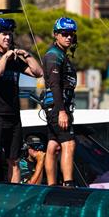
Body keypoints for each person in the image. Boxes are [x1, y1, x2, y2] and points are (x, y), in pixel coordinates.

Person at [0, 18, 43, 182]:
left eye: (9, 34)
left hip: (14, 115)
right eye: (3, 34)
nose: (7, 37)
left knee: (14, 159)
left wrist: (27, 55)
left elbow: (38, 72)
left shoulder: (14, 60)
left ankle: (13, 193)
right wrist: (6, 57)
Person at [42, 17, 78, 187]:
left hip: (57, 107)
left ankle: (51, 186)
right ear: (55, 35)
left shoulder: (62, 54)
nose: (68, 37)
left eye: (71, 34)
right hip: (58, 107)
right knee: (68, 144)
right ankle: (68, 185)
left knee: (53, 146)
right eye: (64, 34)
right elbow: (54, 84)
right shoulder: (53, 55)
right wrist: (62, 111)